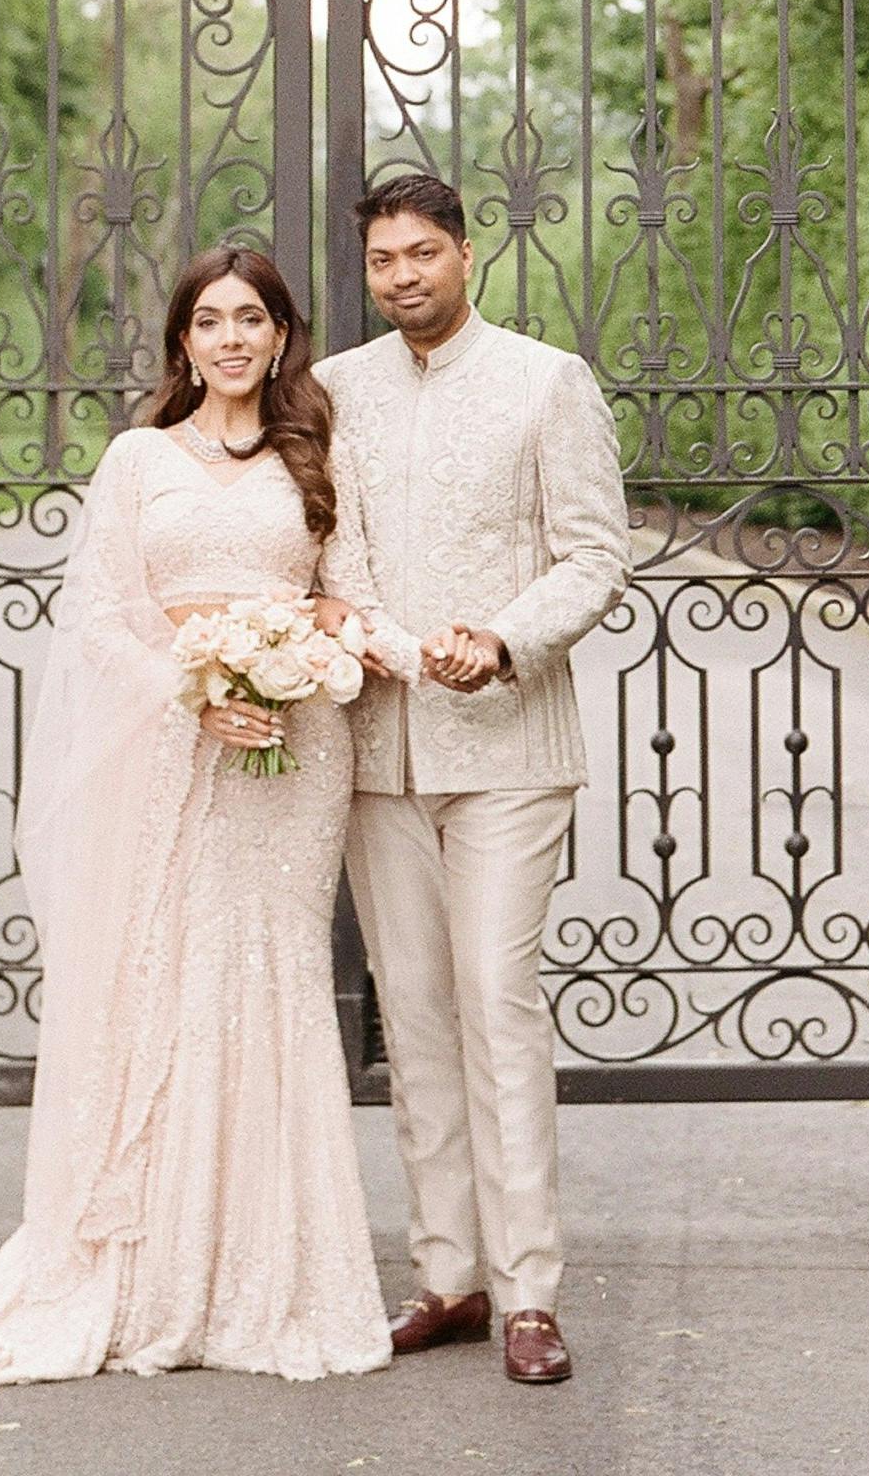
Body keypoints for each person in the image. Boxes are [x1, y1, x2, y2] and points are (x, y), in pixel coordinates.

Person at [0, 244, 416, 1387]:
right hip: (176, 745)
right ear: (181, 341)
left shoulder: (318, 457)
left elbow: (343, 595)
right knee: (167, 983)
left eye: (251, 319)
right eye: (208, 320)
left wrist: (369, 655)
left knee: (268, 982)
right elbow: (101, 614)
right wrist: (196, 684)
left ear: (280, 337)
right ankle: (155, 1265)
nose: (229, 339)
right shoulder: (133, 462)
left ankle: (274, 1276)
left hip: (294, 755)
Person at [316, 168, 631, 1390]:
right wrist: (364, 631)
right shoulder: (336, 389)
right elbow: (325, 546)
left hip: (506, 746)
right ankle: (447, 1276)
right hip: (382, 754)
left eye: (421, 254)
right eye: (384, 260)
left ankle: (531, 1293)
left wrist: (502, 636)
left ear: (464, 251)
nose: (403, 277)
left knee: (499, 1003)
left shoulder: (547, 381)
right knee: (419, 1013)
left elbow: (597, 556)